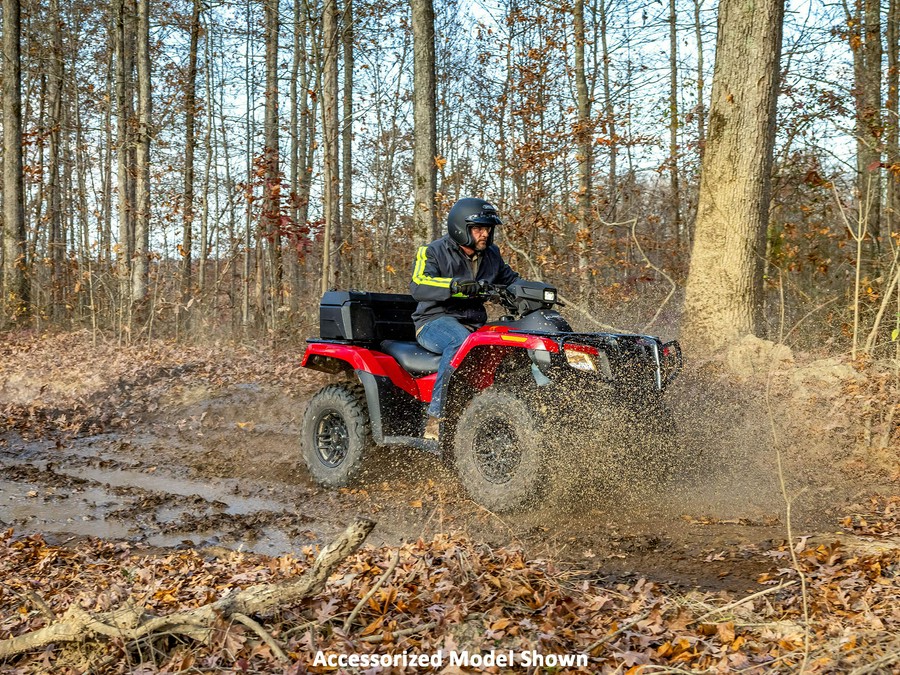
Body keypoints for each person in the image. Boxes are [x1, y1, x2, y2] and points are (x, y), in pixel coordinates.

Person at [410, 197, 520, 439]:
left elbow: (511, 281)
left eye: (488, 229)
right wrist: (455, 285)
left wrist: (535, 291)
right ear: (461, 228)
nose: (484, 234)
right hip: (434, 322)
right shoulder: (432, 251)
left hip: (474, 324)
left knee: (513, 341)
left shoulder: (492, 255)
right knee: (461, 341)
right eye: (478, 228)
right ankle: (436, 419)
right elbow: (418, 284)